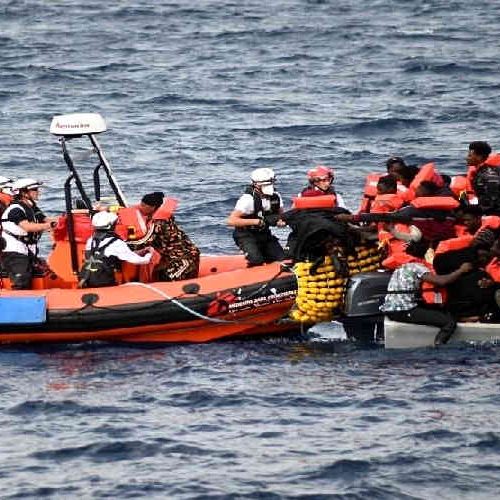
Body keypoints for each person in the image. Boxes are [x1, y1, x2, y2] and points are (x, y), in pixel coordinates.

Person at [380, 239, 473, 345]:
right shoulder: (418, 267)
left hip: (391, 310)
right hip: (403, 311)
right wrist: (461, 270)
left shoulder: (401, 267)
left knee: (434, 311)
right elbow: (442, 281)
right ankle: (438, 347)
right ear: (425, 252)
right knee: (449, 322)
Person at [1, 178, 57, 289]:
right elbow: (27, 227)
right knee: (21, 282)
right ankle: (18, 302)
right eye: (34, 189)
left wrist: (64, 221)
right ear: (23, 193)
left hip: (28, 251)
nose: (38, 192)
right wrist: (50, 226)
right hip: (14, 253)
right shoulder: (15, 209)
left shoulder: (31, 207)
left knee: (43, 274)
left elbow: (45, 220)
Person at [135, 192, 200, 281]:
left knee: (171, 280)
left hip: (181, 258)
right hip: (182, 254)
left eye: (143, 205)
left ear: (152, 207)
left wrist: (124, 244)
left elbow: (145, 241)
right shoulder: (167, 217)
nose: (140, 207)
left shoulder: (158, 222)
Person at [79, 211, 154, 288]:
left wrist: (140, 252)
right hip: (104, 282)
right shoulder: (116, 243)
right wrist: (149, 254)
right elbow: (139, 261)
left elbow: (109, 253)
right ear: (111, 226)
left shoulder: (91, 240)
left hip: (87, 279)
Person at [227, 167, 285, 266]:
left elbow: (281, 215)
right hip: (246, 234)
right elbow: (231, 221)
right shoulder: (248, 200)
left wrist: (280, 221)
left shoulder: (276, 197)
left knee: (282, 259)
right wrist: (256, 222)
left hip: (264, 234)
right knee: (256, 260)